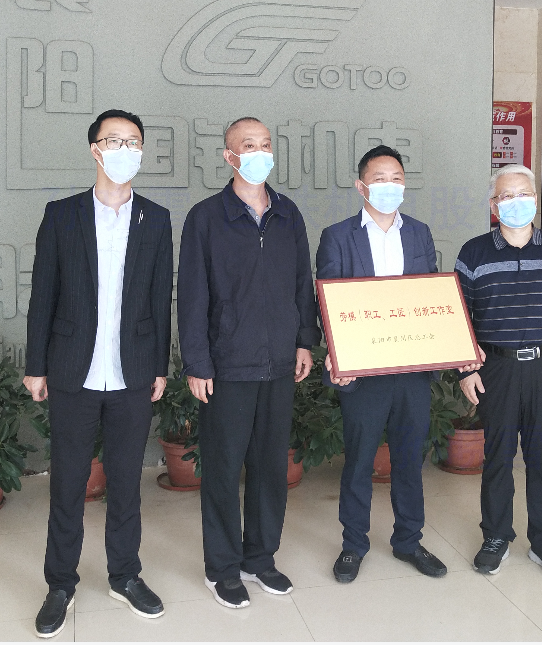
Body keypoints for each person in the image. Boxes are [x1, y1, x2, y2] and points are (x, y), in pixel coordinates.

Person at [24, 109, 173, 637]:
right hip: (73, 370)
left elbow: (160, 298)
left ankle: (125, 575)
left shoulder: (155, 218)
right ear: (95, 149)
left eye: (134, 142)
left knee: (127, 483)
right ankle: (60, 583)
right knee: (68, 482)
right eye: (115, 140)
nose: (125, 150)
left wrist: (160, 366)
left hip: (133, 372)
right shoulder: (61, 215)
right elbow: (43, 293)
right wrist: (35, 365)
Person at [177, 117, 321, 609]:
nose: (259, 153)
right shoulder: (206, 218)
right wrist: (198, 362)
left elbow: (302, 283)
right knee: (222, 468)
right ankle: (221, 567)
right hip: (227, 365)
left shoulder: (288, 214)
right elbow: (192, 295)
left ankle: (260, 558)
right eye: (248, 145)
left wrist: (304, 342)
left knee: (269, 467)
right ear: (229, 156)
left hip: (279, 363)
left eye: (265, 144)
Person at [315, 145, 447, 583]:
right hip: (363, 371)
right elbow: (328, 300)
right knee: (359, 461)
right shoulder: (338, 236)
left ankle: (409, 540)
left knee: (410, 459)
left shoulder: (420, 233)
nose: (389, 186)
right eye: (379, 179)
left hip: (411, 369)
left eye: (396, 178)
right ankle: (353, 545)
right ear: (361, 186)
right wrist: (338, 353)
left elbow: (432, 295)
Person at [455, 163, 542, 581]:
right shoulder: (473, 253)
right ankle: (496, 537)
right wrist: (466, 369)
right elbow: (459, 318)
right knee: (497, 457)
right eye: (507, 196)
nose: (517, 202)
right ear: (494, 205)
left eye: (524, 194)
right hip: (496, 368)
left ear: (535, 198)